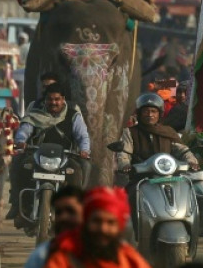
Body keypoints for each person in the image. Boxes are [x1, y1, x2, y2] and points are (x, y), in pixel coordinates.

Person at [9, 83, 91, 225]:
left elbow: (82, 136)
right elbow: (24, 130)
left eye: (57, 99)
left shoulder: (73, 116)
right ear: (45, 100)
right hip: (37, 155)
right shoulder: (35, 114)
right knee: (19, 164)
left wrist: (84, 150)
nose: (53, 102)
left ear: (63, 99)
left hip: (65, 157)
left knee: (82, 168)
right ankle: (19, 206)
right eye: (50, 99)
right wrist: (21, 141)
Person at [116, 93, 199, 224]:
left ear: (159, 114)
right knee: (130, 196)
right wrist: (125, 164)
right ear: (139, 113)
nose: (150, 114)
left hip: (168, 176)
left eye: (154, 111)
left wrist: (191, 161)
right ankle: (134, 228)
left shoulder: (168, 131)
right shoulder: (130, 132)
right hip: (142, 177)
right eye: (146, 111)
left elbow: (182, 150)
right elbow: (124, 153)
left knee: (187, 191)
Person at [43, 186, 150, 268]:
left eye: (110, 223)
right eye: (96, 221)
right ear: (85, 222)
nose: (103, 229)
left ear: (119, 226)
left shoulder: (130, 259)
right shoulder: (61, 258)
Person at [23, 185, 85, 268]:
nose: (63, 217)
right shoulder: (40, 256)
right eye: (58, 212)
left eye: (71, 211)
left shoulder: (98, 252)